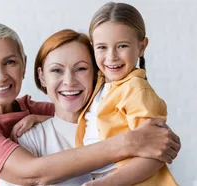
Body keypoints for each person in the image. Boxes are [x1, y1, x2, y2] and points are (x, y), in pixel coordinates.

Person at [0, 23, 182, 186]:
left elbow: (70, 111)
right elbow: (31, 174)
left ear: (24, 66)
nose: (1, 76)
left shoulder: (31, 110)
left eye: (10, 62)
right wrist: (132, 141)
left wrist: (157, 131)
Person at [75, 2, 179, 185]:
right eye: (102, 47)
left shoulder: (137, 90)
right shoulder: (98, 84)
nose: (111, 56)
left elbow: (156, 154)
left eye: (122, 46)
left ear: (141, 47)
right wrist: (37, 117)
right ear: (92, 47)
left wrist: (108, 183)